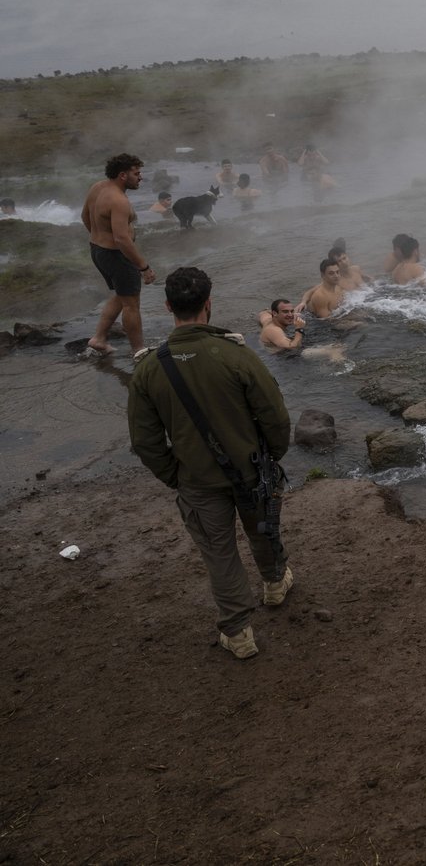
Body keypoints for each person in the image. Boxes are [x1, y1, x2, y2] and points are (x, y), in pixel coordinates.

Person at [127, 266, 294, 660]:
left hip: (197, 481)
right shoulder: (236, 354)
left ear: (168, 306)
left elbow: (145, 441)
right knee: (262, 529)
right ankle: (274, 584)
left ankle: (238, 634)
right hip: (252, 471)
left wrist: (177, 476)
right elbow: (275, 415)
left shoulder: (149, 369)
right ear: (209, 303)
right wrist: (274, 454)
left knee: (219, 554)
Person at [83, 153, 157, 356]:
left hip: (97, 250)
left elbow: (85, 216)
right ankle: (139, 351)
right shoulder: (118, 200)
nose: (140, 177)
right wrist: (144, 267)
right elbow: (122, 239)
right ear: (123, 175)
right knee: (132, 304)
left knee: (122, 295)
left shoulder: (98, 187)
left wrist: (99, 237)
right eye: (136, 173)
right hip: (116, 255)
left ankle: (98, 338)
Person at [388, 234, 426, 303]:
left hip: (400, 299)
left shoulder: (396, 268)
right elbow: (425, 287)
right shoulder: (415, 268)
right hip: (413, 301)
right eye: (419, 250)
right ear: (415, 251)